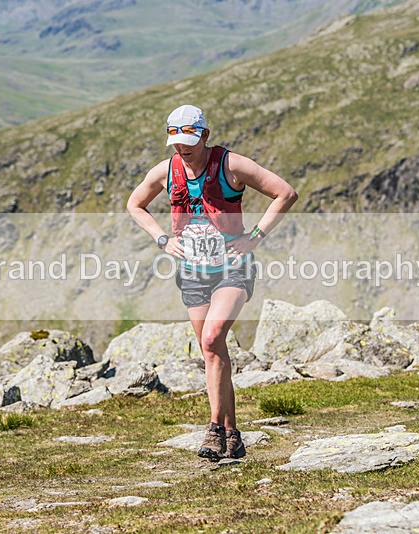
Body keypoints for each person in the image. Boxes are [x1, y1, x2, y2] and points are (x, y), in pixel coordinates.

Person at [127, 104, 298, 461]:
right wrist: (162, 239)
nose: (182, 148)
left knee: (212, 337)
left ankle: (213, 429)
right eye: (176, 141)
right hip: (192, 272)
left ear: (205, 135)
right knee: (213, 352)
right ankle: (233, 436)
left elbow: (286, 193)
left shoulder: (231, 165)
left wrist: (254, 237)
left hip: (232, 268)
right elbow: (135, 204)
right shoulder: (165, 170)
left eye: (189, 140)